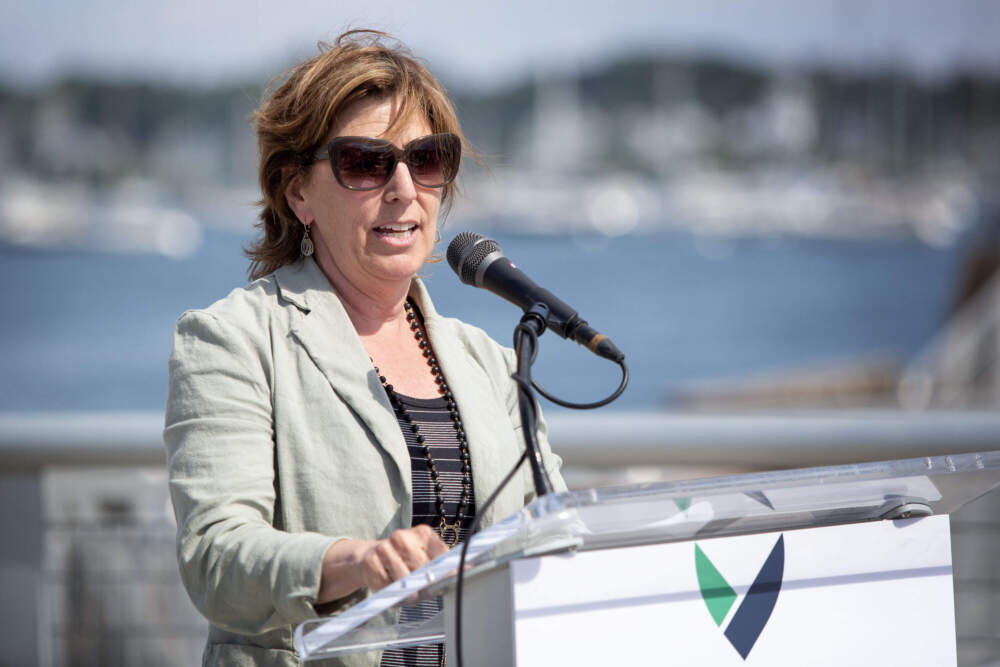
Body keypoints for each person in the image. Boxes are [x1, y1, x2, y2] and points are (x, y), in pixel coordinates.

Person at [164, 29, 566, 667]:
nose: (404, 188)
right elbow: (215, 559)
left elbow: (555, 539)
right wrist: (350, 561)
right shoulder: (234, 339)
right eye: (366, 163)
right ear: (298, 192)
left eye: (427, 159)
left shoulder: (490, 362)